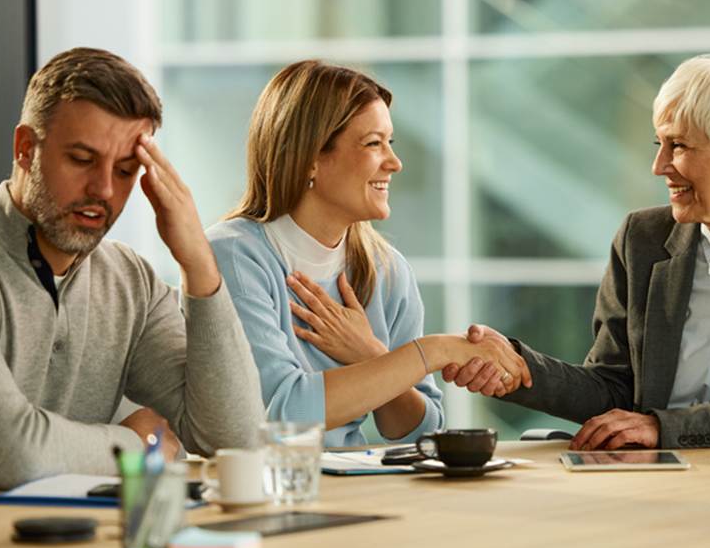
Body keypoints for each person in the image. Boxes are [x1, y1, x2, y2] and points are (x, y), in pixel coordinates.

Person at [445, 54, 710, 454]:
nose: (660, 166)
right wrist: (520, 369)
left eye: (680, 147)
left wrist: (663, 428)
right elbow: (612, 388)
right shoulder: (642, 238)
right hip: (650, 474)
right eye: (660, 145)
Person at [0, 47, 264, 489]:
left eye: (126, 169)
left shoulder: (130, 281)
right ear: (24, 149)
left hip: (83, 547)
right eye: (81, 159)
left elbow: (237, 439)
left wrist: (196, 261)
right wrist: (138, 446)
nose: (103, 188)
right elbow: (9, 452)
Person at [207, 60, 529, 447]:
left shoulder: (387, 269)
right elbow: (282, 413)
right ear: (310, 156)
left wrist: (370, 354)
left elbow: (419, 432)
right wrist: (436, 350)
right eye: (373, 143)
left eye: (389, 143)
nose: (394, 163)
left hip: (356, 488)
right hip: (266, 491)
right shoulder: (233, 257)